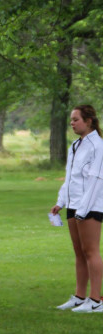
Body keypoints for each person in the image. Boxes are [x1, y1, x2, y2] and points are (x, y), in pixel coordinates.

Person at [51, 104, 103, 313]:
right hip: (73, 206)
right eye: (71, 120)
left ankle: (96, 299)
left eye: (76, 120)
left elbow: (96, 180)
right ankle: (80, 296)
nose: (72, 123)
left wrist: (83, 209)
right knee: (79, 253)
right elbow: (70, 178)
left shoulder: (97, 146)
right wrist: (60, 202)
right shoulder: (75, 145)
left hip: (90, 207)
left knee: (91, 252)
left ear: (88, 121)